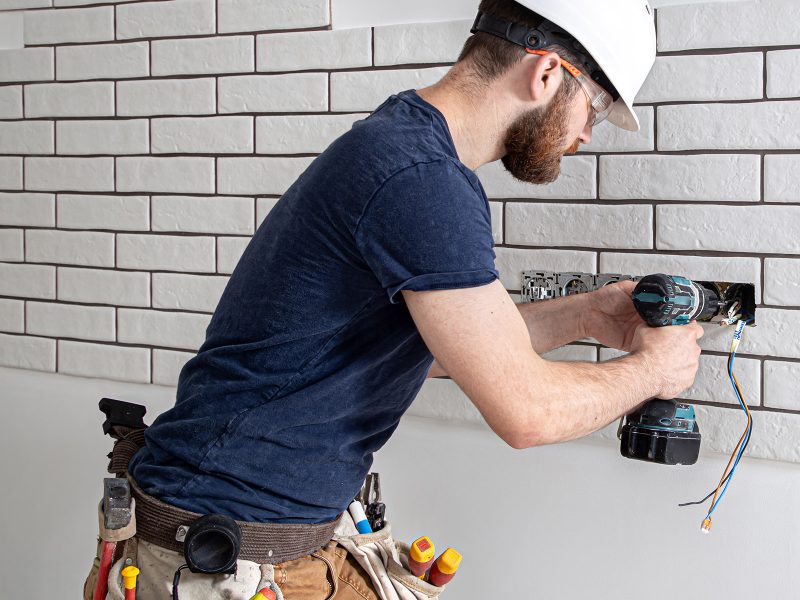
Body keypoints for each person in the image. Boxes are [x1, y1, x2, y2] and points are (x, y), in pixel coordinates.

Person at [96, 0, 703, 598]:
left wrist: (586, 314)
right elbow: (528, 413)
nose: (586, 135)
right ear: (546, 74)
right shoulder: (423, 179)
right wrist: (655, 369)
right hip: (220, 551)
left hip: (260, 531)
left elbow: (439, 348)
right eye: (594, 107)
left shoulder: (401, 146)